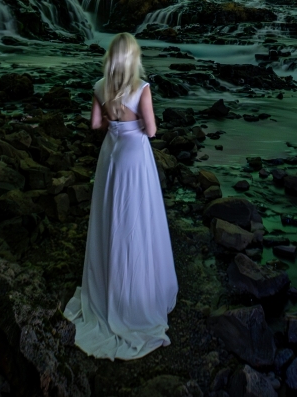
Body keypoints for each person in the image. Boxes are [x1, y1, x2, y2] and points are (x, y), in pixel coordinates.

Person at [63, 32, 179, 360]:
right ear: (133, 58)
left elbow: (95, 124)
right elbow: (152, 130)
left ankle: (107, 287)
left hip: (110, 154)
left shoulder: (100, 86)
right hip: (134, 155)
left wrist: (116, 124)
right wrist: (136, 122)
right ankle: (135, 291)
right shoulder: (141, 88)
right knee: (136, 219)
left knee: (110, 216)